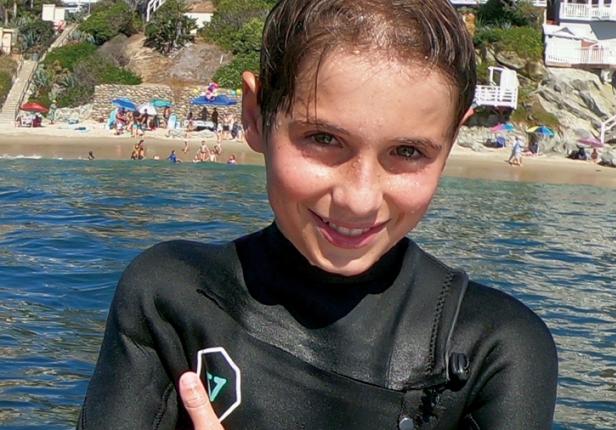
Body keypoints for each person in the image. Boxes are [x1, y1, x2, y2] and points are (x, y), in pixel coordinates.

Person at [78, 1, 558, 429]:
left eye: (408, 151)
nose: (359, 199)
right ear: (255, 115)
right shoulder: (169, 297)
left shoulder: (496, 350)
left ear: (451, 140)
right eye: (324, 139)